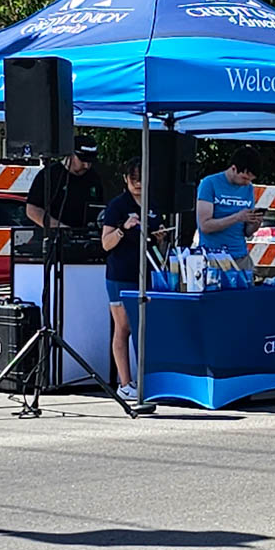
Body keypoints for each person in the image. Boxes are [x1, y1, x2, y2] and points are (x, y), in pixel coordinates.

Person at [100, 157, 166, 401]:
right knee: (124, 327)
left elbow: (155, 240)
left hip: (146, 272)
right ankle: (125, 382)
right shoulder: (117, 205)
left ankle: (145, 379)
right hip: (121, 273)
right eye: (133, 179)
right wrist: (123, 228)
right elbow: (106, 243)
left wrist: (159, 237)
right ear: (126, 179)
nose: (138, 184)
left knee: (144, 327)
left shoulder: (153, 204)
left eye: (141, 179)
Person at [196, 145, 263, 271]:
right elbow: (205, 226)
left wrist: (255, 223)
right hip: (213, 257)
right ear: (233, 168)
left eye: (250, 180)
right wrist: (237, 217)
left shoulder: (248, 188)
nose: (246, 183)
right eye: (244, 178)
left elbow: (247, 232)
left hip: (240, 256)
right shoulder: (209, 184)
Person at [24, 139, 106, 228]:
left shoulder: (94, 178)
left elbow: (99, 207)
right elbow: (32, 209)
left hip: (86, 232)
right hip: (55, 232)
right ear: (70, 155)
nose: (86, 165)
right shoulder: (49, 175)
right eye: (82, 160)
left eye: (90, 162)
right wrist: (58, 226)